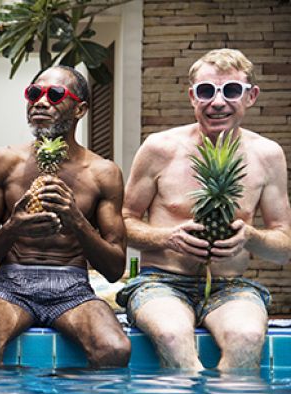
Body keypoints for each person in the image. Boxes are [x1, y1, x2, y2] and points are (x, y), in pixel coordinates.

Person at [117, 49, 291, 370]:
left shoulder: (267, 155)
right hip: (161, 281)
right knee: (171, 335)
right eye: (206, 91)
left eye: (232, 91)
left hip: (231, 285)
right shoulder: (160, 148)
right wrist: (166, 238)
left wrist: (249, 236)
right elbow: (122, 223)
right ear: (192, 97)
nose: (218, 102)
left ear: (251, 97)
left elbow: (284, 248)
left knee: (248, 337)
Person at [0, 65, 130, 368]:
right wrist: (13, 227)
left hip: (73, 287)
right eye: (34, 93)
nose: (41, 101)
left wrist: (76, 220)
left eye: (55, 95)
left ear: (80, 109)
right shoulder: (3, 162)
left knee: (114, 349)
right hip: (11, 285)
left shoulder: (102, 173)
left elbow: (115, 267)